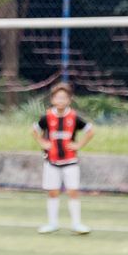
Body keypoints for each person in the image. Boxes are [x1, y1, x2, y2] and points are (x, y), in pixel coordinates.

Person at [32, 82, 94, 234]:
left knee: (72, 191)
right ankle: (52, 223)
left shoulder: (73, 117)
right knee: (53, 191)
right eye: (58, 98)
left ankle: (77, 224)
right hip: (51, 161)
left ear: (69, 100)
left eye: (64, 98)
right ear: (53, 99)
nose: (60, 101)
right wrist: (42, 142)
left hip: (70, 161)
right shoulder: (47, 117)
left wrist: (78, 145)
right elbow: (34, 131)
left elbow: (90, 131)